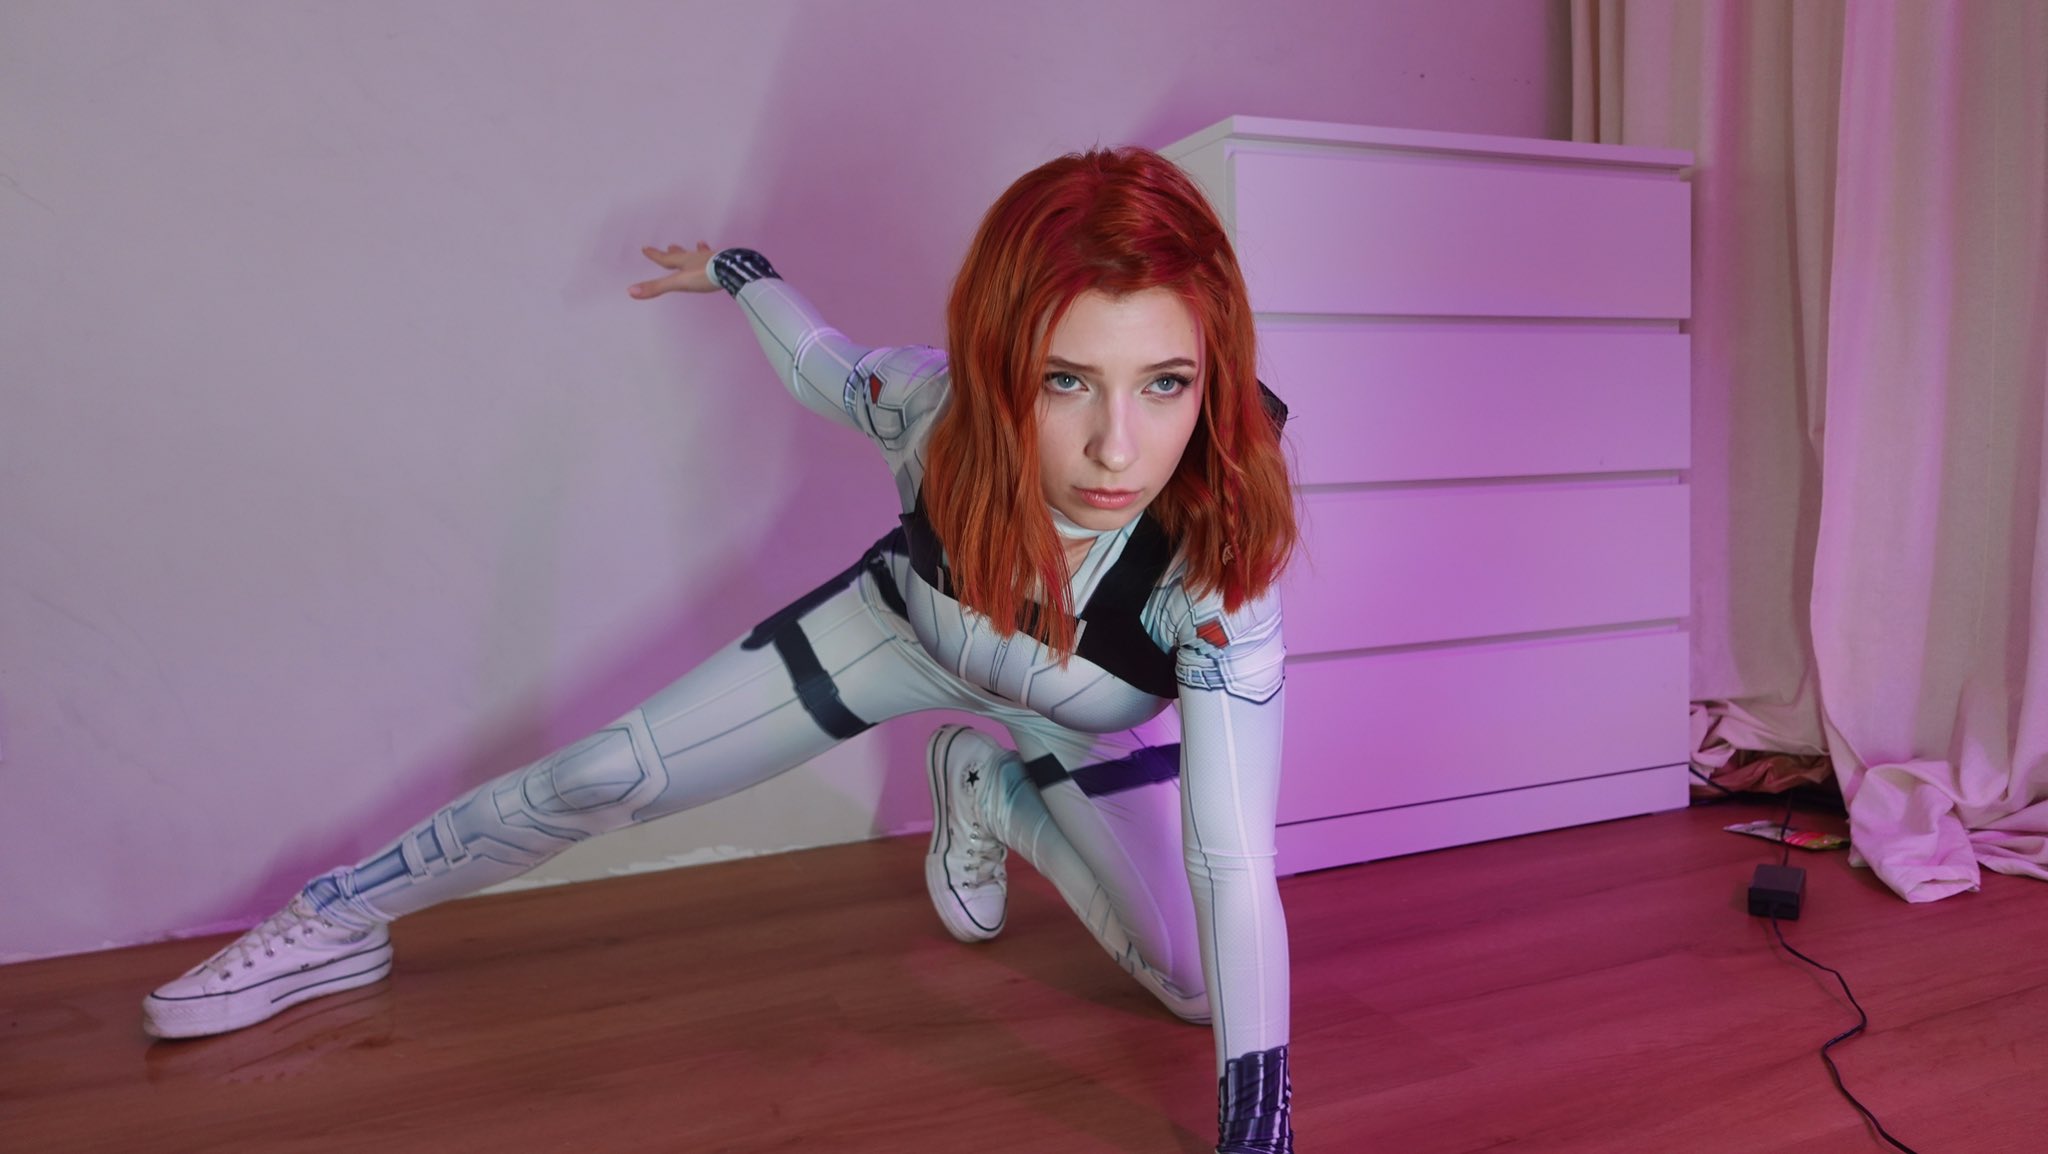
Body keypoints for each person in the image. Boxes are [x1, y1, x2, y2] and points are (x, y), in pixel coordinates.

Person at [142, 146, 1300, 1153]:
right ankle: (334, 916)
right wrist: (736, 269)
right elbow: (819, 359)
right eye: (1065, 380)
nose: (1115, 447)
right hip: (900, 633)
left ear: (1210, 373)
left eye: (1164, 383)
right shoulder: (930, 407)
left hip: (1073, 720)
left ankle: (989, 792)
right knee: (603, 775)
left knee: (1198, 988)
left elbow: (1233, 861)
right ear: (1002, 366)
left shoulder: (1214, 564)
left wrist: (1258, 1128)